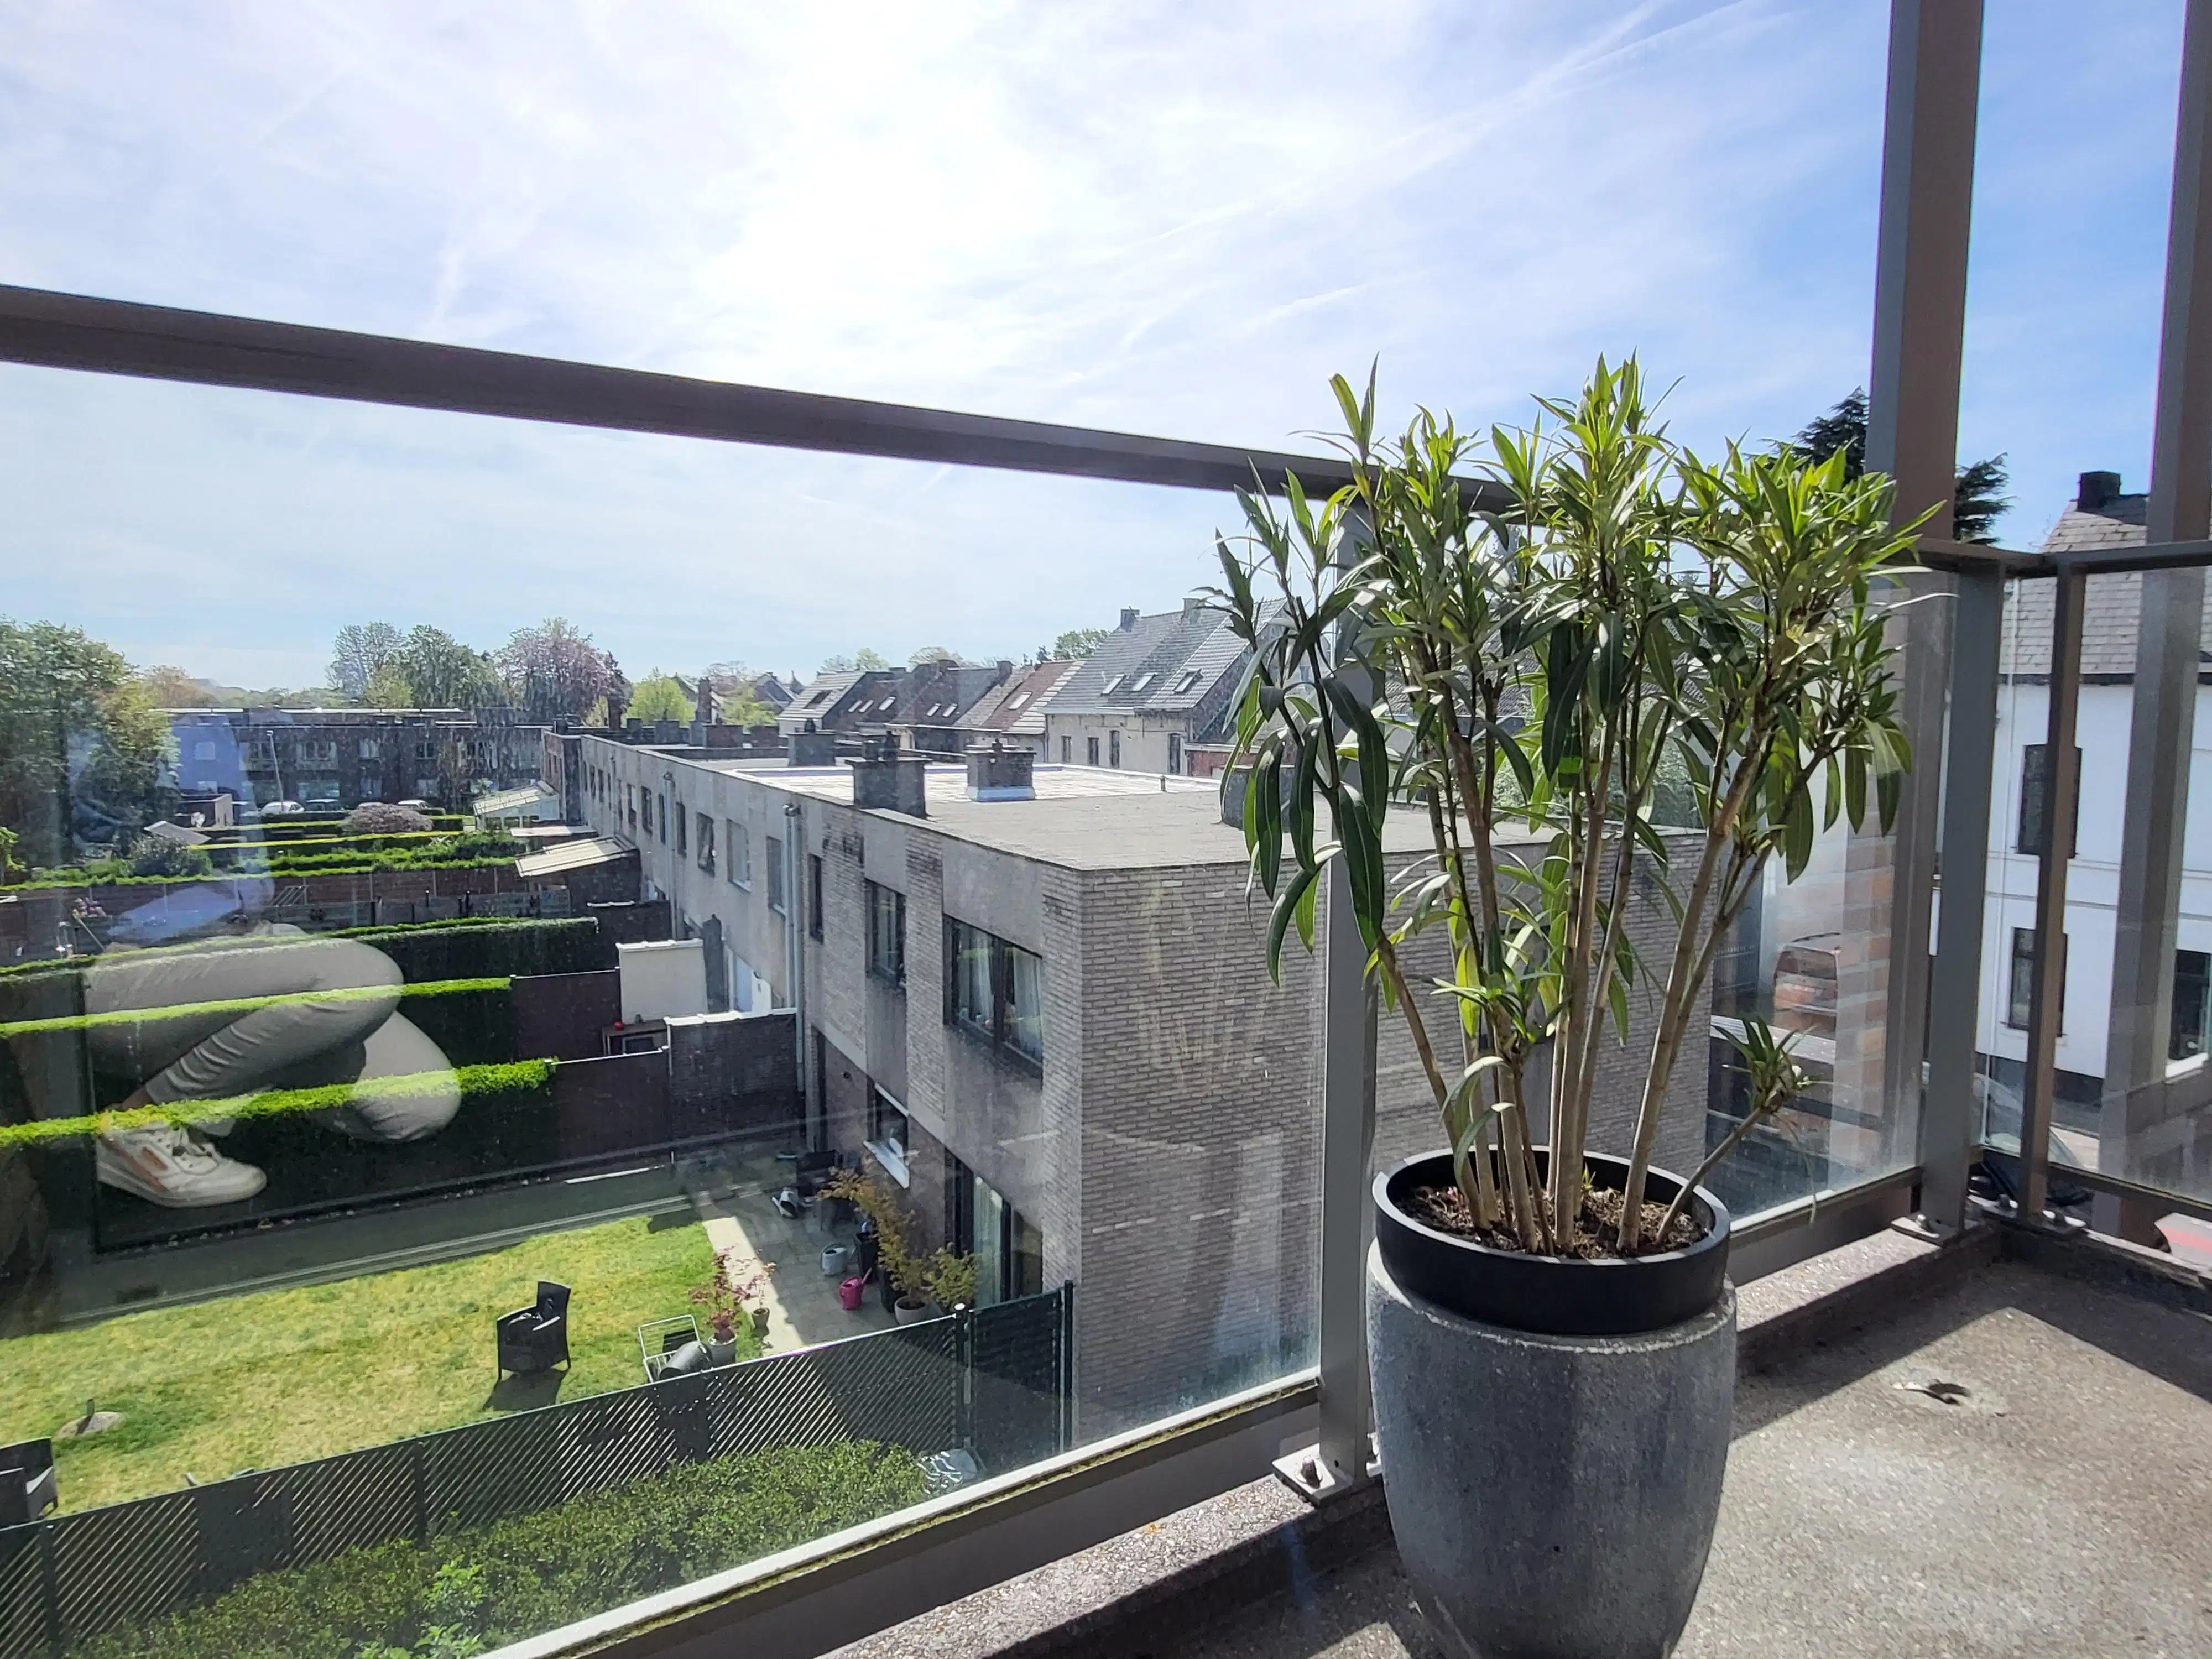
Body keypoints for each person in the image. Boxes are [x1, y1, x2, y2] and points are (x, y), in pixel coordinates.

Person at [86, 928, 459, 1208]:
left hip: (254, 934)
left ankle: (252, 1067)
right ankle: (135, 1125)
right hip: (127, 960)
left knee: (421, 1106)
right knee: (362, 978)